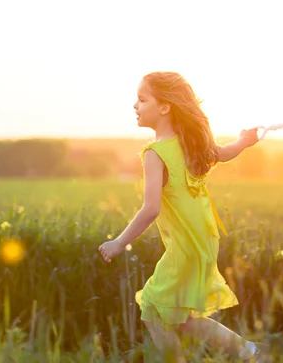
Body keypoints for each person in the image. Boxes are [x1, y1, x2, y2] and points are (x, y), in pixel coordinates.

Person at [98, 71, 270, 362]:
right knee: (178, 319)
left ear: (164, 107)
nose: (135, 106)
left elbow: (151, 208)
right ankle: (250, 352)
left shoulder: (155, 153)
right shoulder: (190, 142)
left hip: (186, 246)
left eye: (142, 99)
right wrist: (244, 141)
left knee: (153, 307)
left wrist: (119, 242)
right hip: (201, 242)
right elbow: (224, 153)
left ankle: (244, 352)